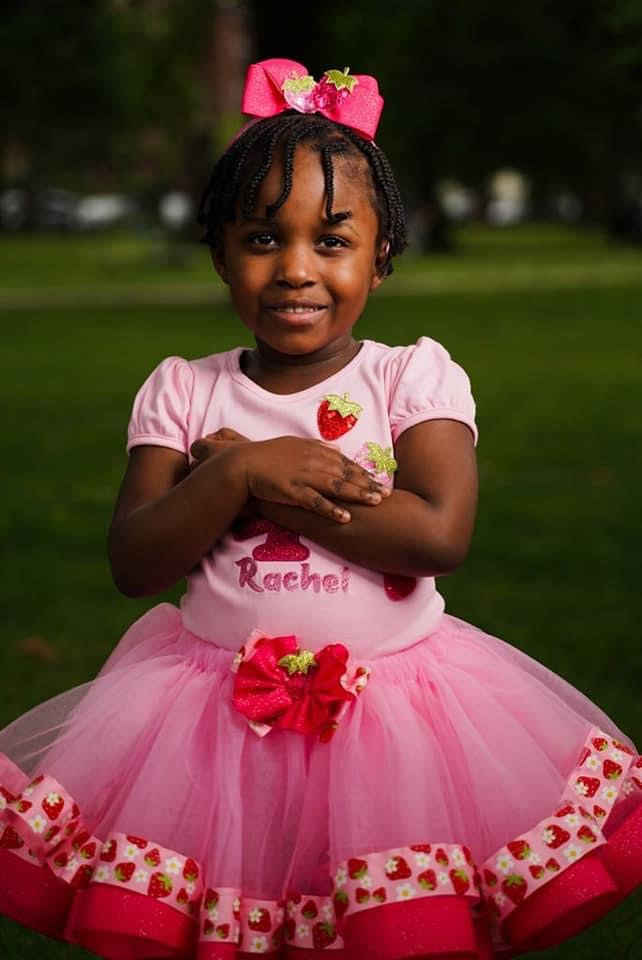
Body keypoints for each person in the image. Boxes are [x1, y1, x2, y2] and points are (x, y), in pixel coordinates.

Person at [0, 58, 640, 960]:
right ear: (219, 251)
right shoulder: (183, 392)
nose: (296, 269)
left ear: (381, 257)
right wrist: (230, 476)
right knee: (244, 920)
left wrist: (270, 487)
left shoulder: (411, 375)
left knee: (382, 926)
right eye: (264, 238)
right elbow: (135, 562)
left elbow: (434, 536)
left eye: (332, 241)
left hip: (396, 719)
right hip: (211, 728)